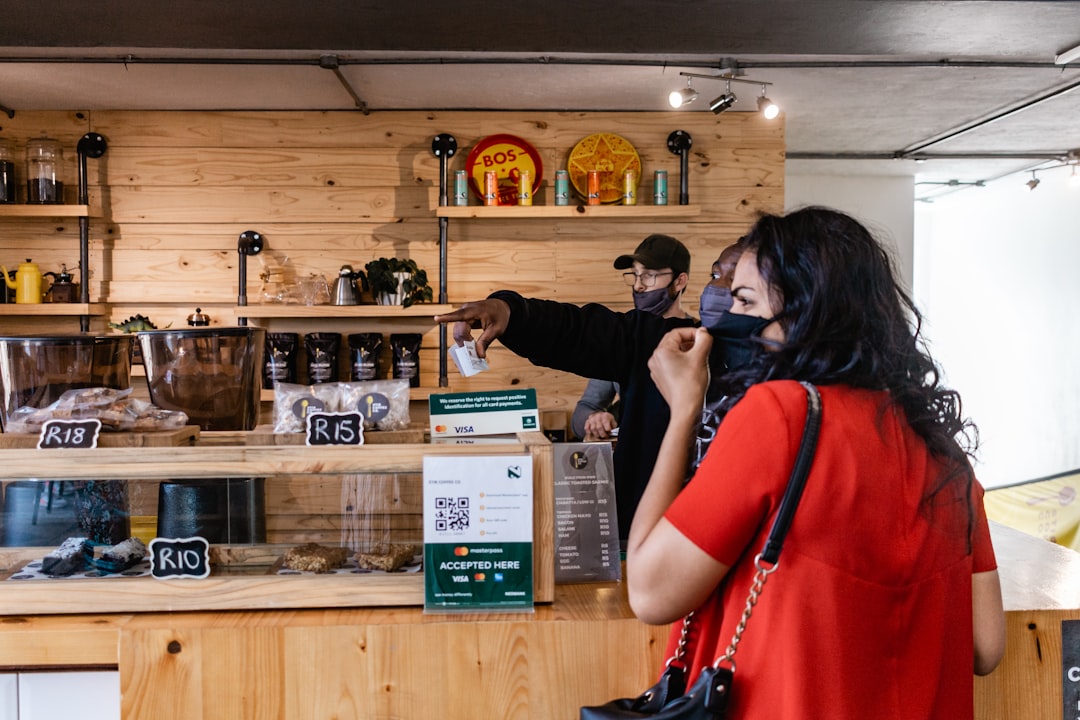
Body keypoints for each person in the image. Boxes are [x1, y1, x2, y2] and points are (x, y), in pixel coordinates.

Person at [627, 206, 1006, 719]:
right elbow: (986, 645)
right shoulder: (942, 451)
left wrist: (683, 412)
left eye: (745, 300)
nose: (728, 319)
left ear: (806, 309)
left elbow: (650, 593)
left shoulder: (780, 415)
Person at [434, 244, 746, 548]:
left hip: (737, 542)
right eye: (716, 275)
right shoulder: (659, 342)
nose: (720, 287)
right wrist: (509, 311)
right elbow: (577, 330)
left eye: (741, 278)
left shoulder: (778, 372)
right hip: (648, 539)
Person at [571, 234, 692, 441]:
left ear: (680, 281)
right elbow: (584, 411)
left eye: (649, 275)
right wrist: (594, 419)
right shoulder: (621, 337)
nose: (638, 286)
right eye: (635, 275)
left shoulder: (700, 337)